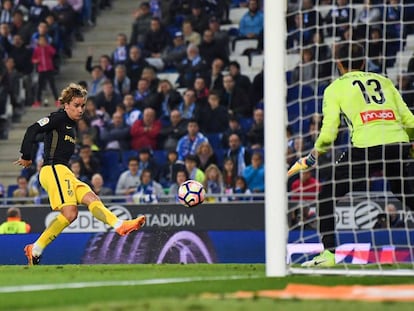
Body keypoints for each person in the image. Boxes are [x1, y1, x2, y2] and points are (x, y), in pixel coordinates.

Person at [288, 42, 414, 267]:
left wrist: (315, 154)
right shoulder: (384, 81)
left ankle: (328, 254)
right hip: (398, 143)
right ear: (364, 63)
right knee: (402, 191)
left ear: (338, 64)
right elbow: (410, 121)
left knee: (327, 195)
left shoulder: (335, 88)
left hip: (366, 146)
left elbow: (329, 133)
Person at [14, 83, 146, 265]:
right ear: (66, 104)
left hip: (64, 172)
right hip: (53, 169)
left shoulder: (70, 126)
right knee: (69, 213)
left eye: (83, 105)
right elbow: (32, 130)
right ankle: (35, 249)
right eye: (76, 105)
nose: (81, 109)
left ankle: (120, 225)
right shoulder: (58, 118)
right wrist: (26, 155)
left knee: (92, 198)